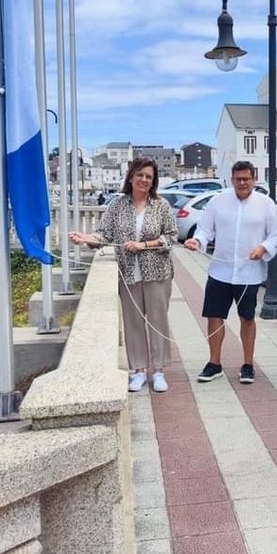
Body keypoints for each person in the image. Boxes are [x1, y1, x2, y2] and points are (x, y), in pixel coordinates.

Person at [69, 158, 177, 393]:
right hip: (128, 274)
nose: (144, 180)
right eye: (140, 175)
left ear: (153, 181)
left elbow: (171, 237)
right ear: (130, 177)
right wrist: (85, 239)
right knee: (133, 322)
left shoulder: (161, 205)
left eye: (149, 176)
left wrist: (144, 245)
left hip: (157, 273)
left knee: (158, 321)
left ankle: (158, 371)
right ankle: (138, 370)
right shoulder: (117, 206)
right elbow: (104, 235)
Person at [183, 161, 277, 385]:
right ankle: (214, 363)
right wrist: (196, 241)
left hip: (249, 272)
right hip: (220, 271)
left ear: (254, 179)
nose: (242, 183)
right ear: (231, 179)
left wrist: (263, 248)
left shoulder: (266, 204)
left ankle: (247, 364)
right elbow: (205, 229)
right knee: (214, 316)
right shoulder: (218, 202)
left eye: (246, 178)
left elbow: (276, 234)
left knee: (247, 318)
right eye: (238, 179)